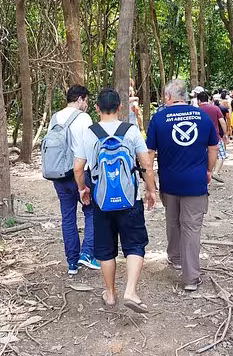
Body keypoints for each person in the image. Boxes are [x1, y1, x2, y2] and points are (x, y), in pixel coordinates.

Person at [73, 89, 157, 313]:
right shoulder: (131, 131)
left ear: (97, 109)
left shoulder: (89, 133)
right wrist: (151, 190)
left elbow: (78, 168)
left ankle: (110, 294)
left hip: (101, 200)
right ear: (120, 108)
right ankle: (130, 290)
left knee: (105, 248)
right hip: (130, 199)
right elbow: (146, 165)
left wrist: (83, 190)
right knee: (135, 244)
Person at [146, 80, 218, 291]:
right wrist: (208, 170)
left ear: (168, 97)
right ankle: (191, 278)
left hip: (169, 182)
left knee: (173, 220)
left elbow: (149, 155)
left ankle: (175, 257)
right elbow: (213, 147)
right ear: (185, 96)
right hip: (195, 182)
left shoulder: (159, 118)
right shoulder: (202, 117)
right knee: (192, 227)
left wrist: (150, 182)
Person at [50, 85, 100, 275]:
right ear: (79, 99)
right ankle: (87, 254)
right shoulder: (83, 118)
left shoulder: (55, 118)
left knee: (68, 217)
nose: (86, 105)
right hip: (80, 173)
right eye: (86, 101)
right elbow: (90, 147)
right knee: (91, 211)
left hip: (59, 175)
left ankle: (72, 263)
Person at [198, 90, 228, 181]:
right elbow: (222, 122)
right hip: (215, 136)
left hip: (200, 138)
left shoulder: (196, 110)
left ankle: (204, 174)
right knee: (221, 155)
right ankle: (214, 172)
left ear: (199, 101)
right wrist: (225, 134)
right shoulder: (215, 108)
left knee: (203, 157)